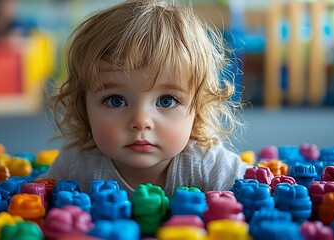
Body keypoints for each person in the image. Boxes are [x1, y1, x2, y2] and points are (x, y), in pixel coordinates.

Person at [38, 0, 249, 198]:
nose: (141, 121)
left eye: (166, 101)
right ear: (84, 106)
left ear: (198, 109)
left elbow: (262, 194)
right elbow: (33, 201)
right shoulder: (77, 162)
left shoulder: (206, 163)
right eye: (116, 100)